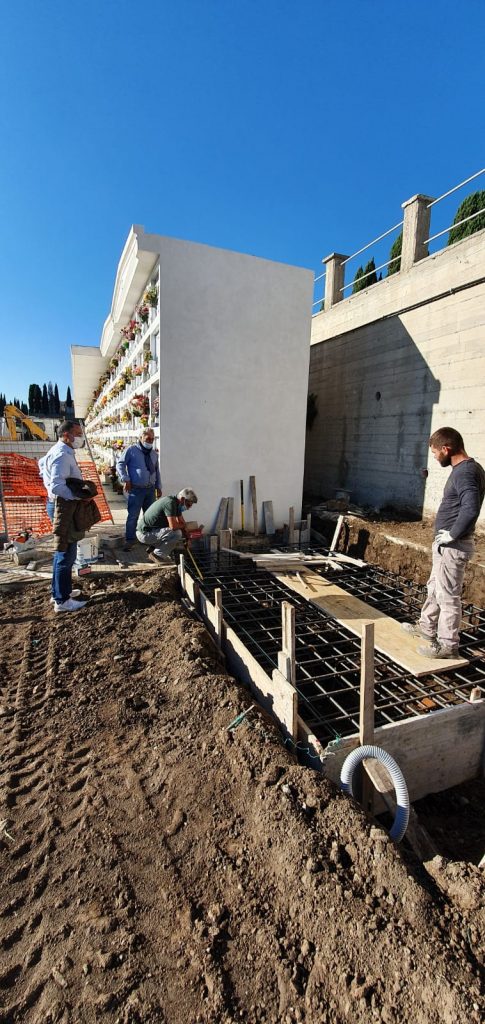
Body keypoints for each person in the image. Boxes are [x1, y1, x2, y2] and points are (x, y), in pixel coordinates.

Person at [402, 427, 485, 658]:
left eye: (435, 452)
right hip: (446, 545)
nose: (435, 457)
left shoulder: (465, 473)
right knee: (435, 588)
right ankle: (427, 628)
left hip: (453, 546)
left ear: (446, 449)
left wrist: (452, 534)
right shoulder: (469, 469)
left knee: (448, 596)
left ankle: (448, 645)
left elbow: (471, 508)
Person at [41, 421, 89, 612]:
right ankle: (62, 601)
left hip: (61, 506)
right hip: (63, 507)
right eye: (78, 433)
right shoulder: (61, 455)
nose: (80, 437)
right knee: (66, 555)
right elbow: (56, 486)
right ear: (67, 434)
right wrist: (78, 496)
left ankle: (60, 592)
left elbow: (41, 468)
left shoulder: (61, 451)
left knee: (62, 553)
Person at [116, 429, 162, 551]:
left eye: (152, 439)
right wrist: (126, 479)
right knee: (133, 516)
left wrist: (158, 486)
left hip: (150, 490)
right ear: (141, 438)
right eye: (148, 439)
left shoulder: (153, 454)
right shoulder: (132, 450)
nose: (150, 441)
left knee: (150, 516)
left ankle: (147, 539)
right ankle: (130, 540)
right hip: (136, 490)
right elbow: (120, 464)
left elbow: (156, 471)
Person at [136, 488, 198, 563]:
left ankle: (153, 548)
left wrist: (187, 539)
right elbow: (173, 526)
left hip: (151, 532)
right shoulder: (170, 503)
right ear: (182, 499)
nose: (188, 508)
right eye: (188, 505)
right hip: (144, 534)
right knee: (176, 533)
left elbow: (181, 522)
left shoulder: (176, 504)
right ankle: (157, 555)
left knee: (176, 532)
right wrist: (183, 526)